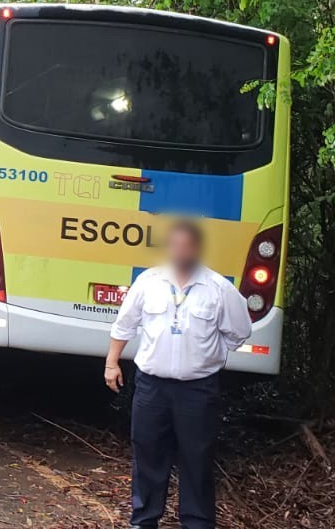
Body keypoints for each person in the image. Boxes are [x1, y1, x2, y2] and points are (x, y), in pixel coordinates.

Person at [106, 221, 251, 529]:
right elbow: (124, 325)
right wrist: (112, 362)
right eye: (175, 244)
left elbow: (239, 333)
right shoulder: (149, 282)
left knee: (197, 459)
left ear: (197, 248)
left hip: (197, 391)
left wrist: (207, 355)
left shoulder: (219, 289)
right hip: (151, 387)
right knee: (147, 454)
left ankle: (197, 523)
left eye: (187, 245)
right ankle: (143, 521)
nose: (180, 251)